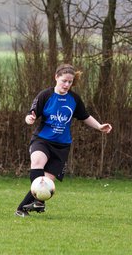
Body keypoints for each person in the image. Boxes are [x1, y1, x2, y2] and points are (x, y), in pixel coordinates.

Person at [15, 63, 112, 217]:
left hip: (62, 146)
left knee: (47, 181)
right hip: (42, 140)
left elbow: (84, 116)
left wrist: (99, 126)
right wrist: (30, 119)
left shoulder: (74, 99)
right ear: (56, 78)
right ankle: (38, 202)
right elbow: (30, 114)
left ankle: (23, 208)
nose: (67, 85)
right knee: (37, 162)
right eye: (64, 81)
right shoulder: (45, 95)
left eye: (70, 82)